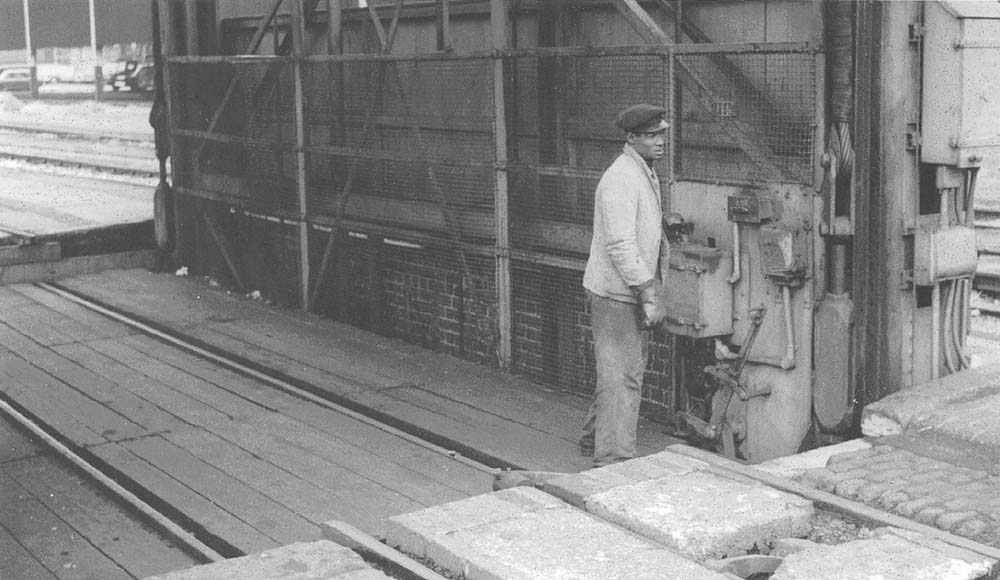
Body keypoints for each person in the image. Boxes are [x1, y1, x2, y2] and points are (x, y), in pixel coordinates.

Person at [580, 103, 671, 467]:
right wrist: (647, 290)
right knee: (623, 377)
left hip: (623, 290)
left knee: (617, 371)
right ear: (632, 138)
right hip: (616, 294)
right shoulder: (621, 178)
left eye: (662, 134)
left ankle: (592, 440)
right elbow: (620, 243)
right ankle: (613, 461)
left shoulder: (642, 171)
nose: (661, 141)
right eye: (652, 136)